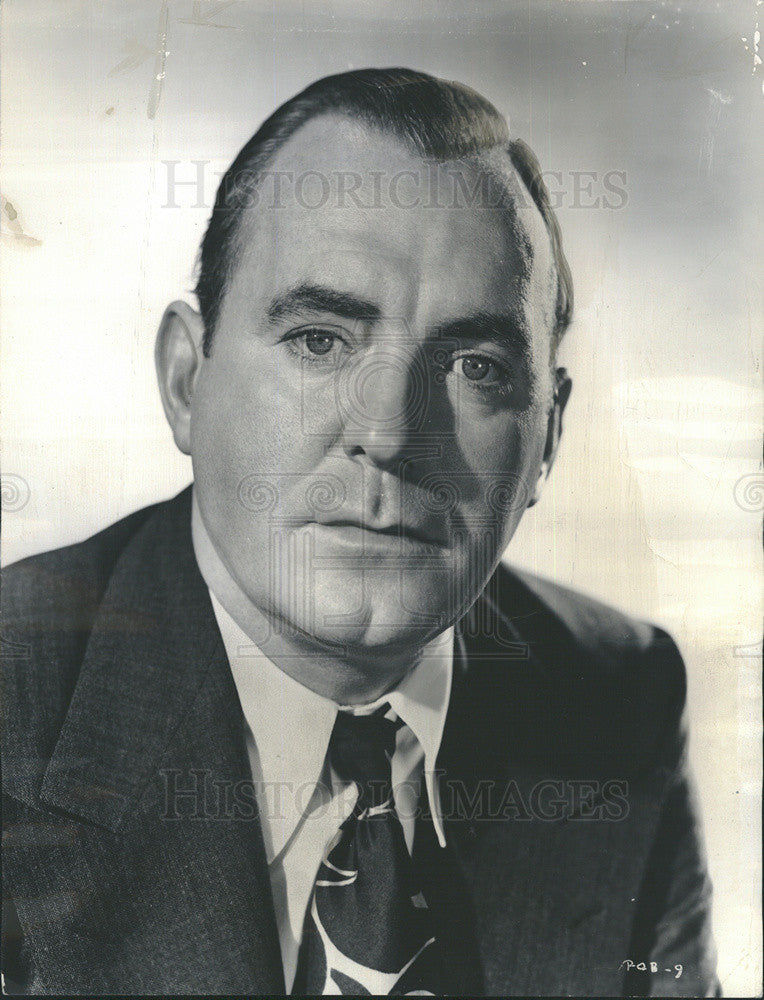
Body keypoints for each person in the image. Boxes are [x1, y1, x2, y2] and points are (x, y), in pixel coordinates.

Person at [1, 68, 718, 996]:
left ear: (548, 440)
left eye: (475, 365)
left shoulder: (617, 697)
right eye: (320, 340)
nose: (388, 433)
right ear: (187, 381)